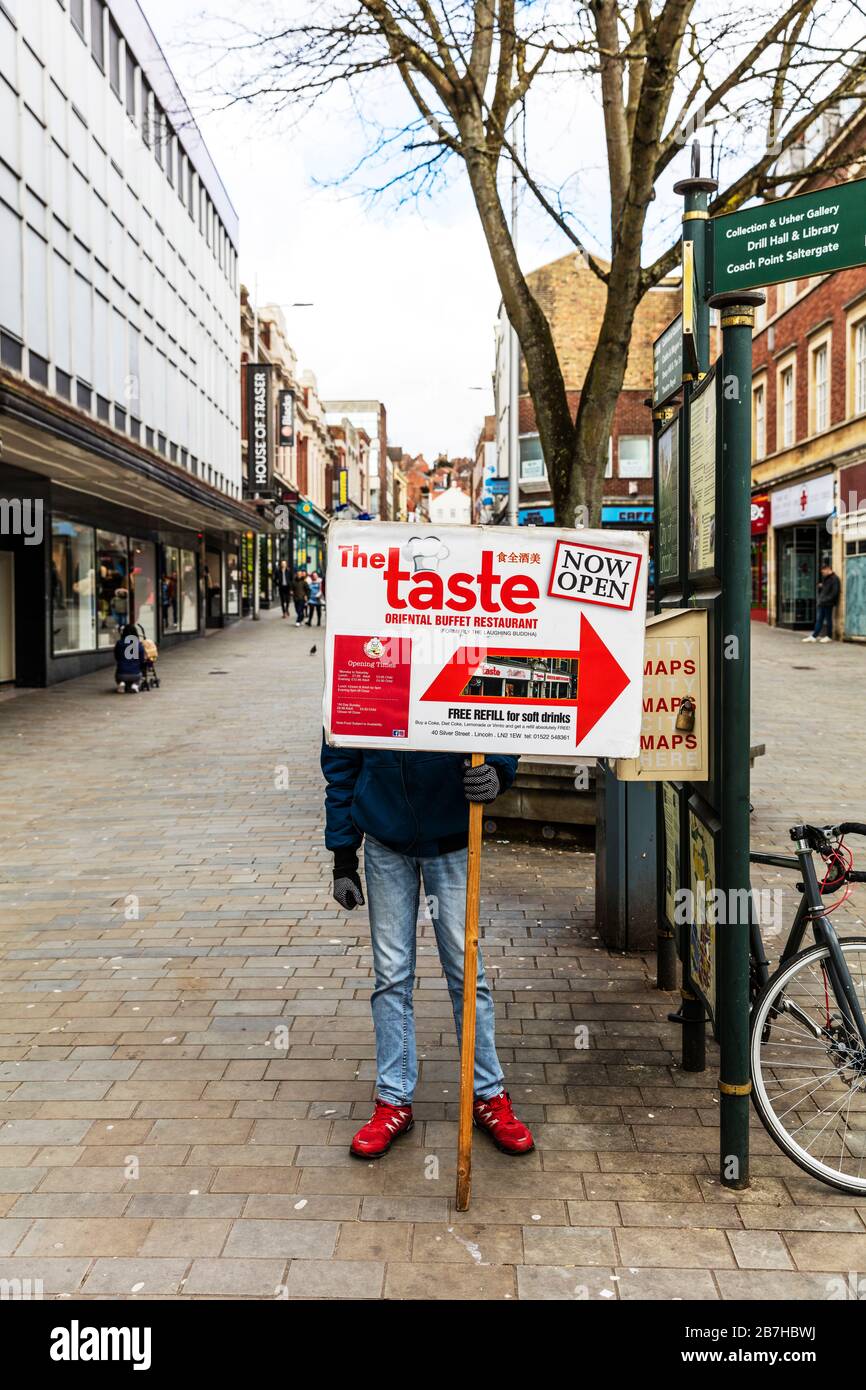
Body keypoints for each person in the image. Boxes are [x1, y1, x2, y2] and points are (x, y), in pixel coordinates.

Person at [321, 742, 535, 1159]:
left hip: (453, 838)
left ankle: (488, 1094)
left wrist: (498, 769)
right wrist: (343, 856)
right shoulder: (358, 676)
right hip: (386, 842)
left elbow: (503, 714)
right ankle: (394, 1100)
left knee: (465, 969)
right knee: (391, 975)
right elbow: (340, 760)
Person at [803, 563, 840, 643]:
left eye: (823, 572)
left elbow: (835, 592)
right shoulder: (826, 578)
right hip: (822, 602)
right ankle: (814, 636)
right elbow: (826, 589)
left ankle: (829, 636)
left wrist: (826, 599)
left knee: (828, 619)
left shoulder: (835, 579)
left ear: (828, 569)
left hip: (828, 603)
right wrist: (822, 586)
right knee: (819, 619)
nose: (823, 573)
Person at [113, 622, 146, 693]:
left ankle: (121, 683)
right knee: (140, 674)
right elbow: (142, 659)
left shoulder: (119, 643)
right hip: (135, 674)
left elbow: (117, 656)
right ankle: (135, 684)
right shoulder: (138, 644)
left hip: (121, 673)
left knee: (118, 672)